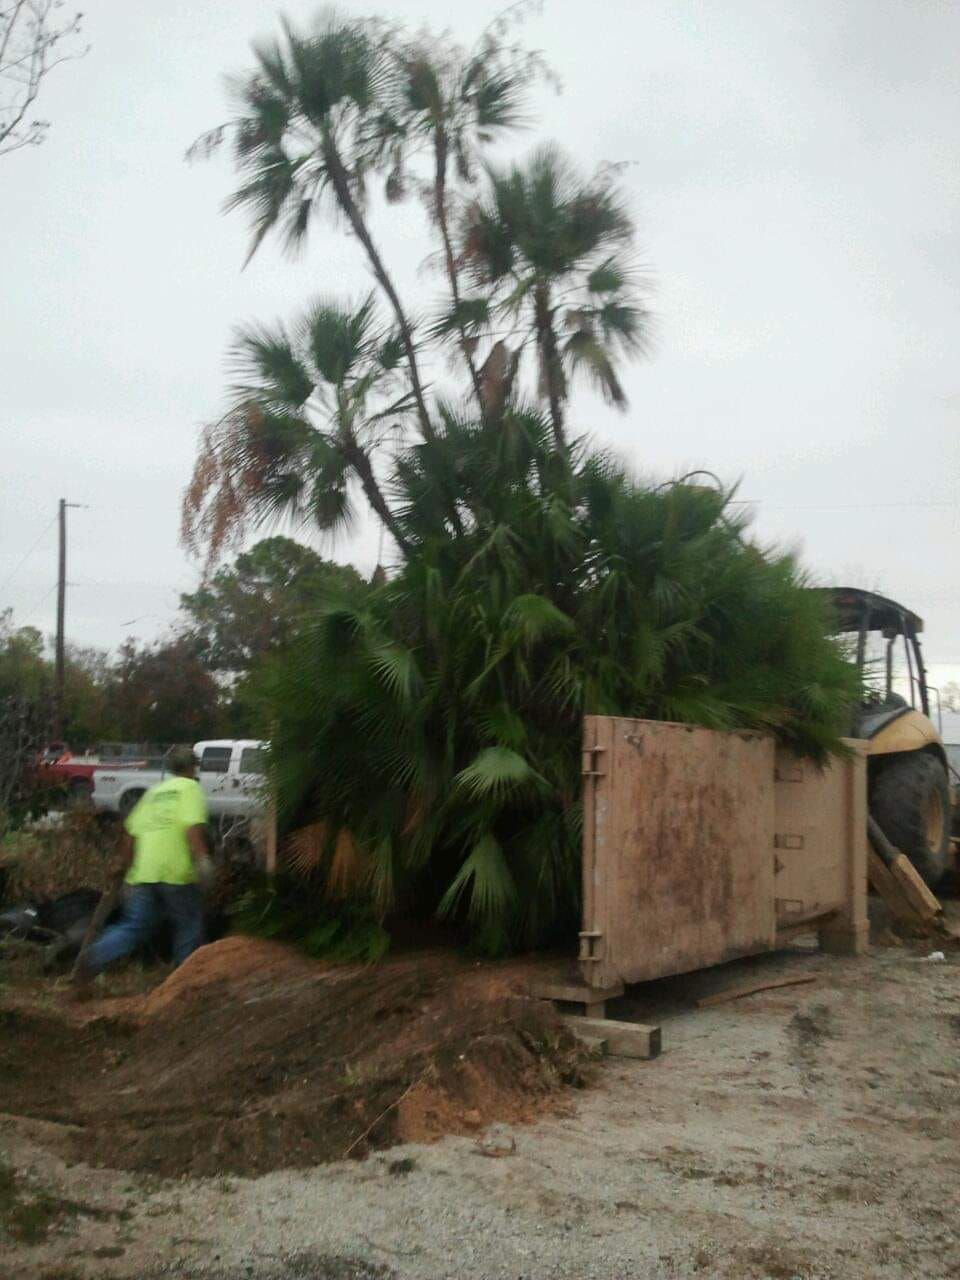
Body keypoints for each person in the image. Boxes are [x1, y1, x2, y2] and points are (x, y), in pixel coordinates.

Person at [74, 746, 210, 987]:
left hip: (143, 874)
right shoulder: (190, 789)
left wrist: (125, 870)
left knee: (135, 925)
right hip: (175, 873)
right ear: (192, 767)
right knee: (189, 923)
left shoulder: (153, 793)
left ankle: (95, 956)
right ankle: (182, 986)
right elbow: (192, 828)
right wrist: (202, 862)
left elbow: (130, 835)